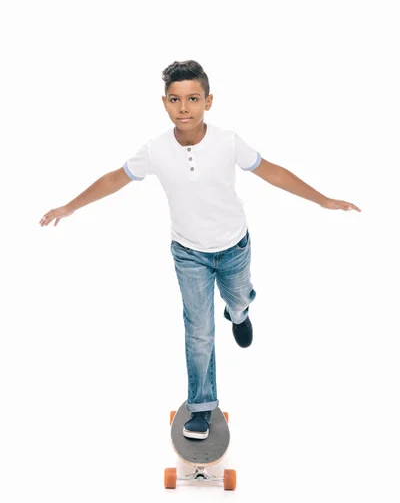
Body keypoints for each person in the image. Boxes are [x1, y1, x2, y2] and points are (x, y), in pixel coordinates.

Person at [39, 60, 361, 441]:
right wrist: (70, 206)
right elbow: (114, 179)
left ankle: (238, 312)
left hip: (234, 246)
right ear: (164, 103)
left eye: (193, 99)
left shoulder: (227, 142)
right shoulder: (155, 150)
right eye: (175, 100)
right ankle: (202, 406)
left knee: (239, 297)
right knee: (198, 331)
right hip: (188, 253)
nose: (184, 108)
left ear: (208, 101)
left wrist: (322, 200)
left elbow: (272, 171)